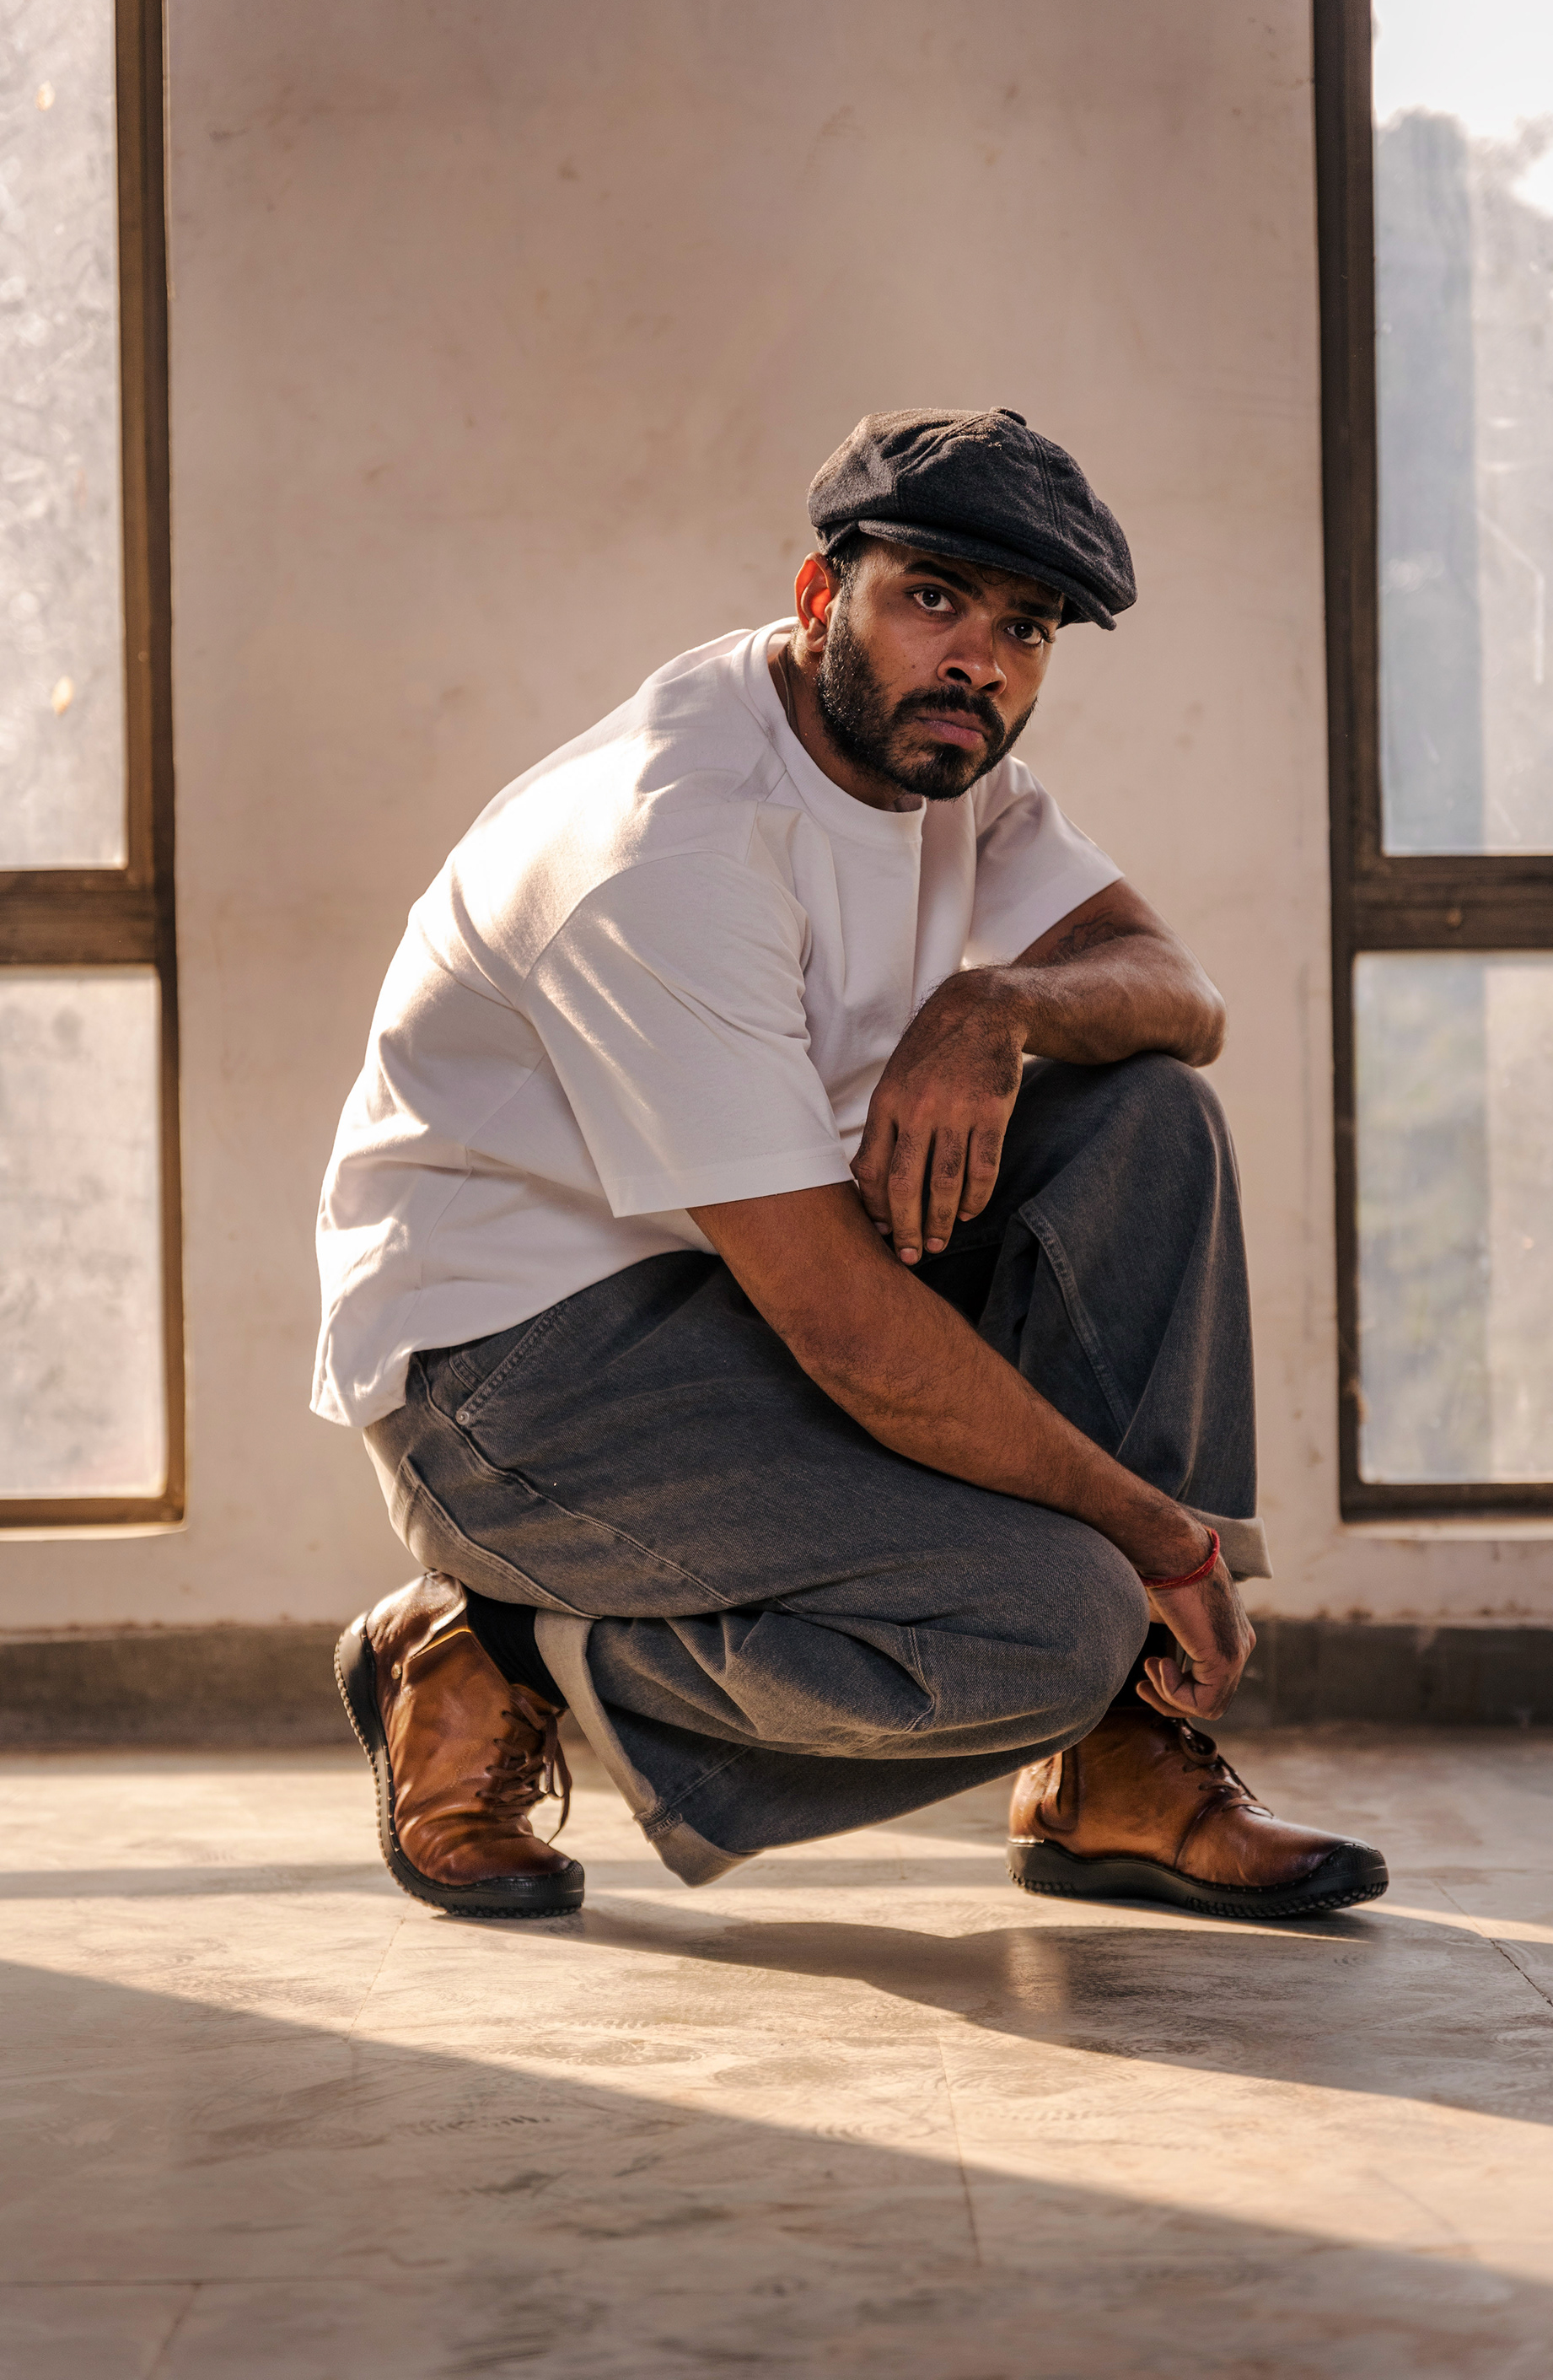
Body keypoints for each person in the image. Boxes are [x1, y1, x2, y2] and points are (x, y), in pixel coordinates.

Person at [314, 407, 1388, 1923]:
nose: (980, 661)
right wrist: (1160, 1538)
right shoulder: (668, 846)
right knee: (1050, 1625)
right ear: (822, 596)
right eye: (933, 598)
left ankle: (1122, 1768)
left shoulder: (940, 761)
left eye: (1025, 629)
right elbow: (844, 1327)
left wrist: (998, 1004)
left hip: (740, 1288)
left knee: (1145, 1123)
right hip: (513, 1369)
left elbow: (1177, 994)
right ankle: (493, 1647)